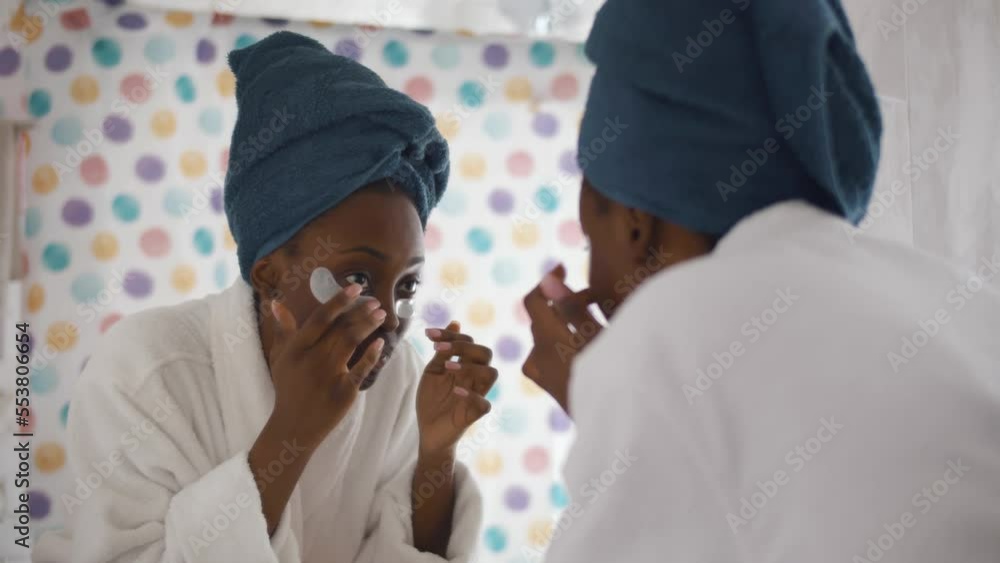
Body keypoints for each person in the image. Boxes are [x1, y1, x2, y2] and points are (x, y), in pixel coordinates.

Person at [521, 1, 1000, 562]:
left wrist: (606, 394)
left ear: (633, 223)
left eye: (590, 241)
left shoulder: (669, 333)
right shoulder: (961, 300)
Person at [35, 31, 497, 563]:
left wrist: (436, 452)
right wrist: (292, 431)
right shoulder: (144, 368)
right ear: (270, 276)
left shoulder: (397, 379)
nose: (390, 318)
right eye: (359, 278)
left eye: (408, 285)